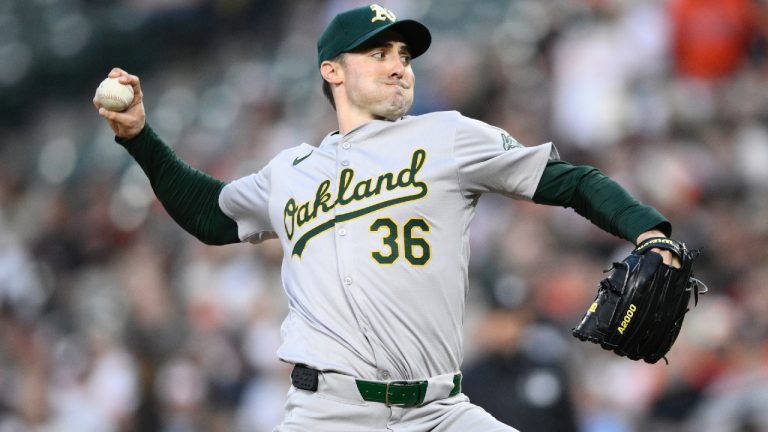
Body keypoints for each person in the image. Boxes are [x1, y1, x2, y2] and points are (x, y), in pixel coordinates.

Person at [94, 4, 679, 431]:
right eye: (379, 54)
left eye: (404, 55)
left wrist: (650, 232)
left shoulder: (449, 136)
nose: (400, 66)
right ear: (333, 71)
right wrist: (140, 138)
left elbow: (571, 180)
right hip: (328, 413)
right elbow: (209, 214)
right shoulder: (290, 170)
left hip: (439, 410)